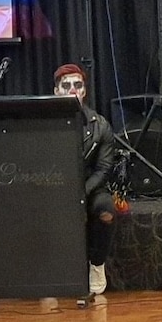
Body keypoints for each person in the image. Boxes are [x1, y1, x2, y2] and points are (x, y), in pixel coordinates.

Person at [53, 64, 115, 294]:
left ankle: (97, 264)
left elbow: (104, 168)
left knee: (106, 210)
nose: (72, 90)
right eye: (66, 86)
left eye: (77, 85)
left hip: (90, 187)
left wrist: (83, 192)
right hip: (54, 186)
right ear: (56, 90)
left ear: (84, 91)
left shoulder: (100, 126)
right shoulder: (43, 125)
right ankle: (50, 271)